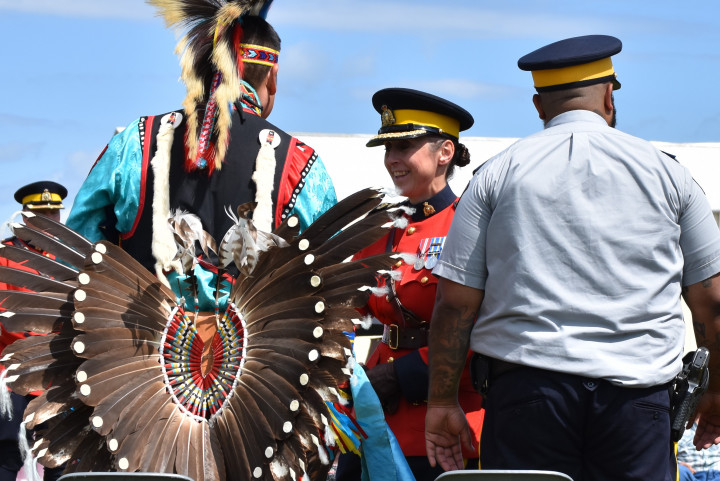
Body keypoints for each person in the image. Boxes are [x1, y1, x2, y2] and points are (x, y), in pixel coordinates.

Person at [423, 34, 720, 481]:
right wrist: (715, 391)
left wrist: (442, 401)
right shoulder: (670, 175)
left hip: (527, 397)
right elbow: (712, 302)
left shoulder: (494, 176)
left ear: (539, 106)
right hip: (637, 404)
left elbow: (454, 304)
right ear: (608, 95)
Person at [66, 1, 336, 311]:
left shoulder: (135, 144)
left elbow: (76, 252)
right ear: (273, 76)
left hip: (140, 351)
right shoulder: (299, 164)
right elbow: (330, 279)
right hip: (261, 357)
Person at [336, 88, 483, 481]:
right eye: (387, 150)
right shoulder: (379, 229)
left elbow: (480, 327)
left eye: (404, 147)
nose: (392, 161)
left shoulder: (469, 225)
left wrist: (404, 378)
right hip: (373, 415)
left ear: (445, 153)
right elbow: (341, 311)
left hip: (447, 421)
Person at [0, 181, 68, 481]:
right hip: (14, 376)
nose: (49, 221)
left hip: (55, 378)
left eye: (53, 215)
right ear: (26, 218)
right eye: (42, 215)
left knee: (58, 453)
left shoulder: (65, 262)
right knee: (7, 455)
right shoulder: (5, 257)